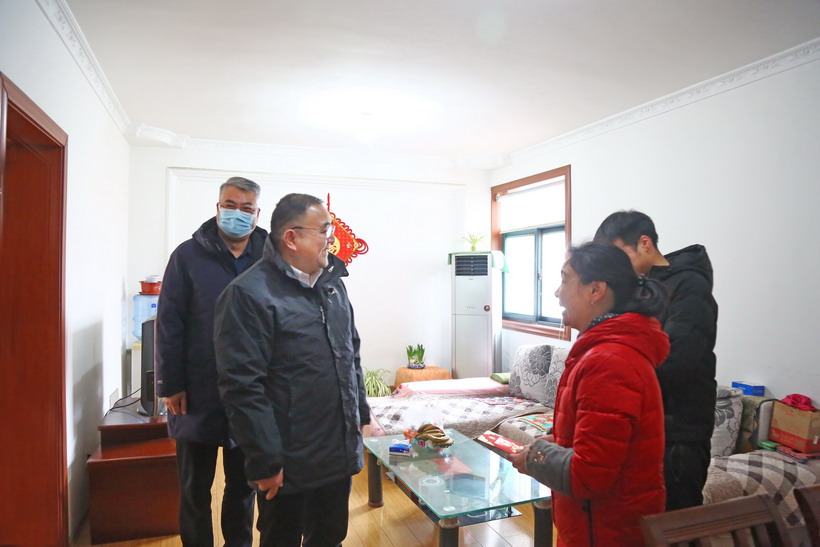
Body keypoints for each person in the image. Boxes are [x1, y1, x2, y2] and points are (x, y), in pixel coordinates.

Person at [213, 193, 370, 547]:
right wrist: (265, 462)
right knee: (281, 538)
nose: (331, 238)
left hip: (336, 451)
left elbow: (351, 354)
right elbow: (242, 387)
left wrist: (360, 414)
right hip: (287, 459)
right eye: (324, 230)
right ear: (291, 238)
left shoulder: (333, 285)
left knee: (330, 536)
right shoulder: (248, 294)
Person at [509, 242, 670, 546]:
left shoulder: (609, 362)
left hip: (606, 532)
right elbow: (600, 447)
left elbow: (590, 475)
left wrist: (535, 457)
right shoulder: (601, 352)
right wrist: (558, 443)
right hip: (593, 525)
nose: (557, 293)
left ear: (595, 290)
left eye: (564, 279)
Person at [156, 176, 266, 546]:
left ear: (257, 213)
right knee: (194, 488)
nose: (238, 213)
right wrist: (170, 384)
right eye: (230, 205)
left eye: (247, 208)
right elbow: (169, 323)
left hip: (252, 393)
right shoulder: (187, 255)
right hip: (195, 390)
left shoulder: (271, 256)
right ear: (218, 208)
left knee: (243, 486)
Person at [594, 210, 718, 511]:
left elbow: (676, 360)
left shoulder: (689, 285)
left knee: (674, 520)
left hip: (679, 432)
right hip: (647, 425)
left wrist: (620, 386)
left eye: (621, 256)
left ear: (645, 243)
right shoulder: (641, 287)